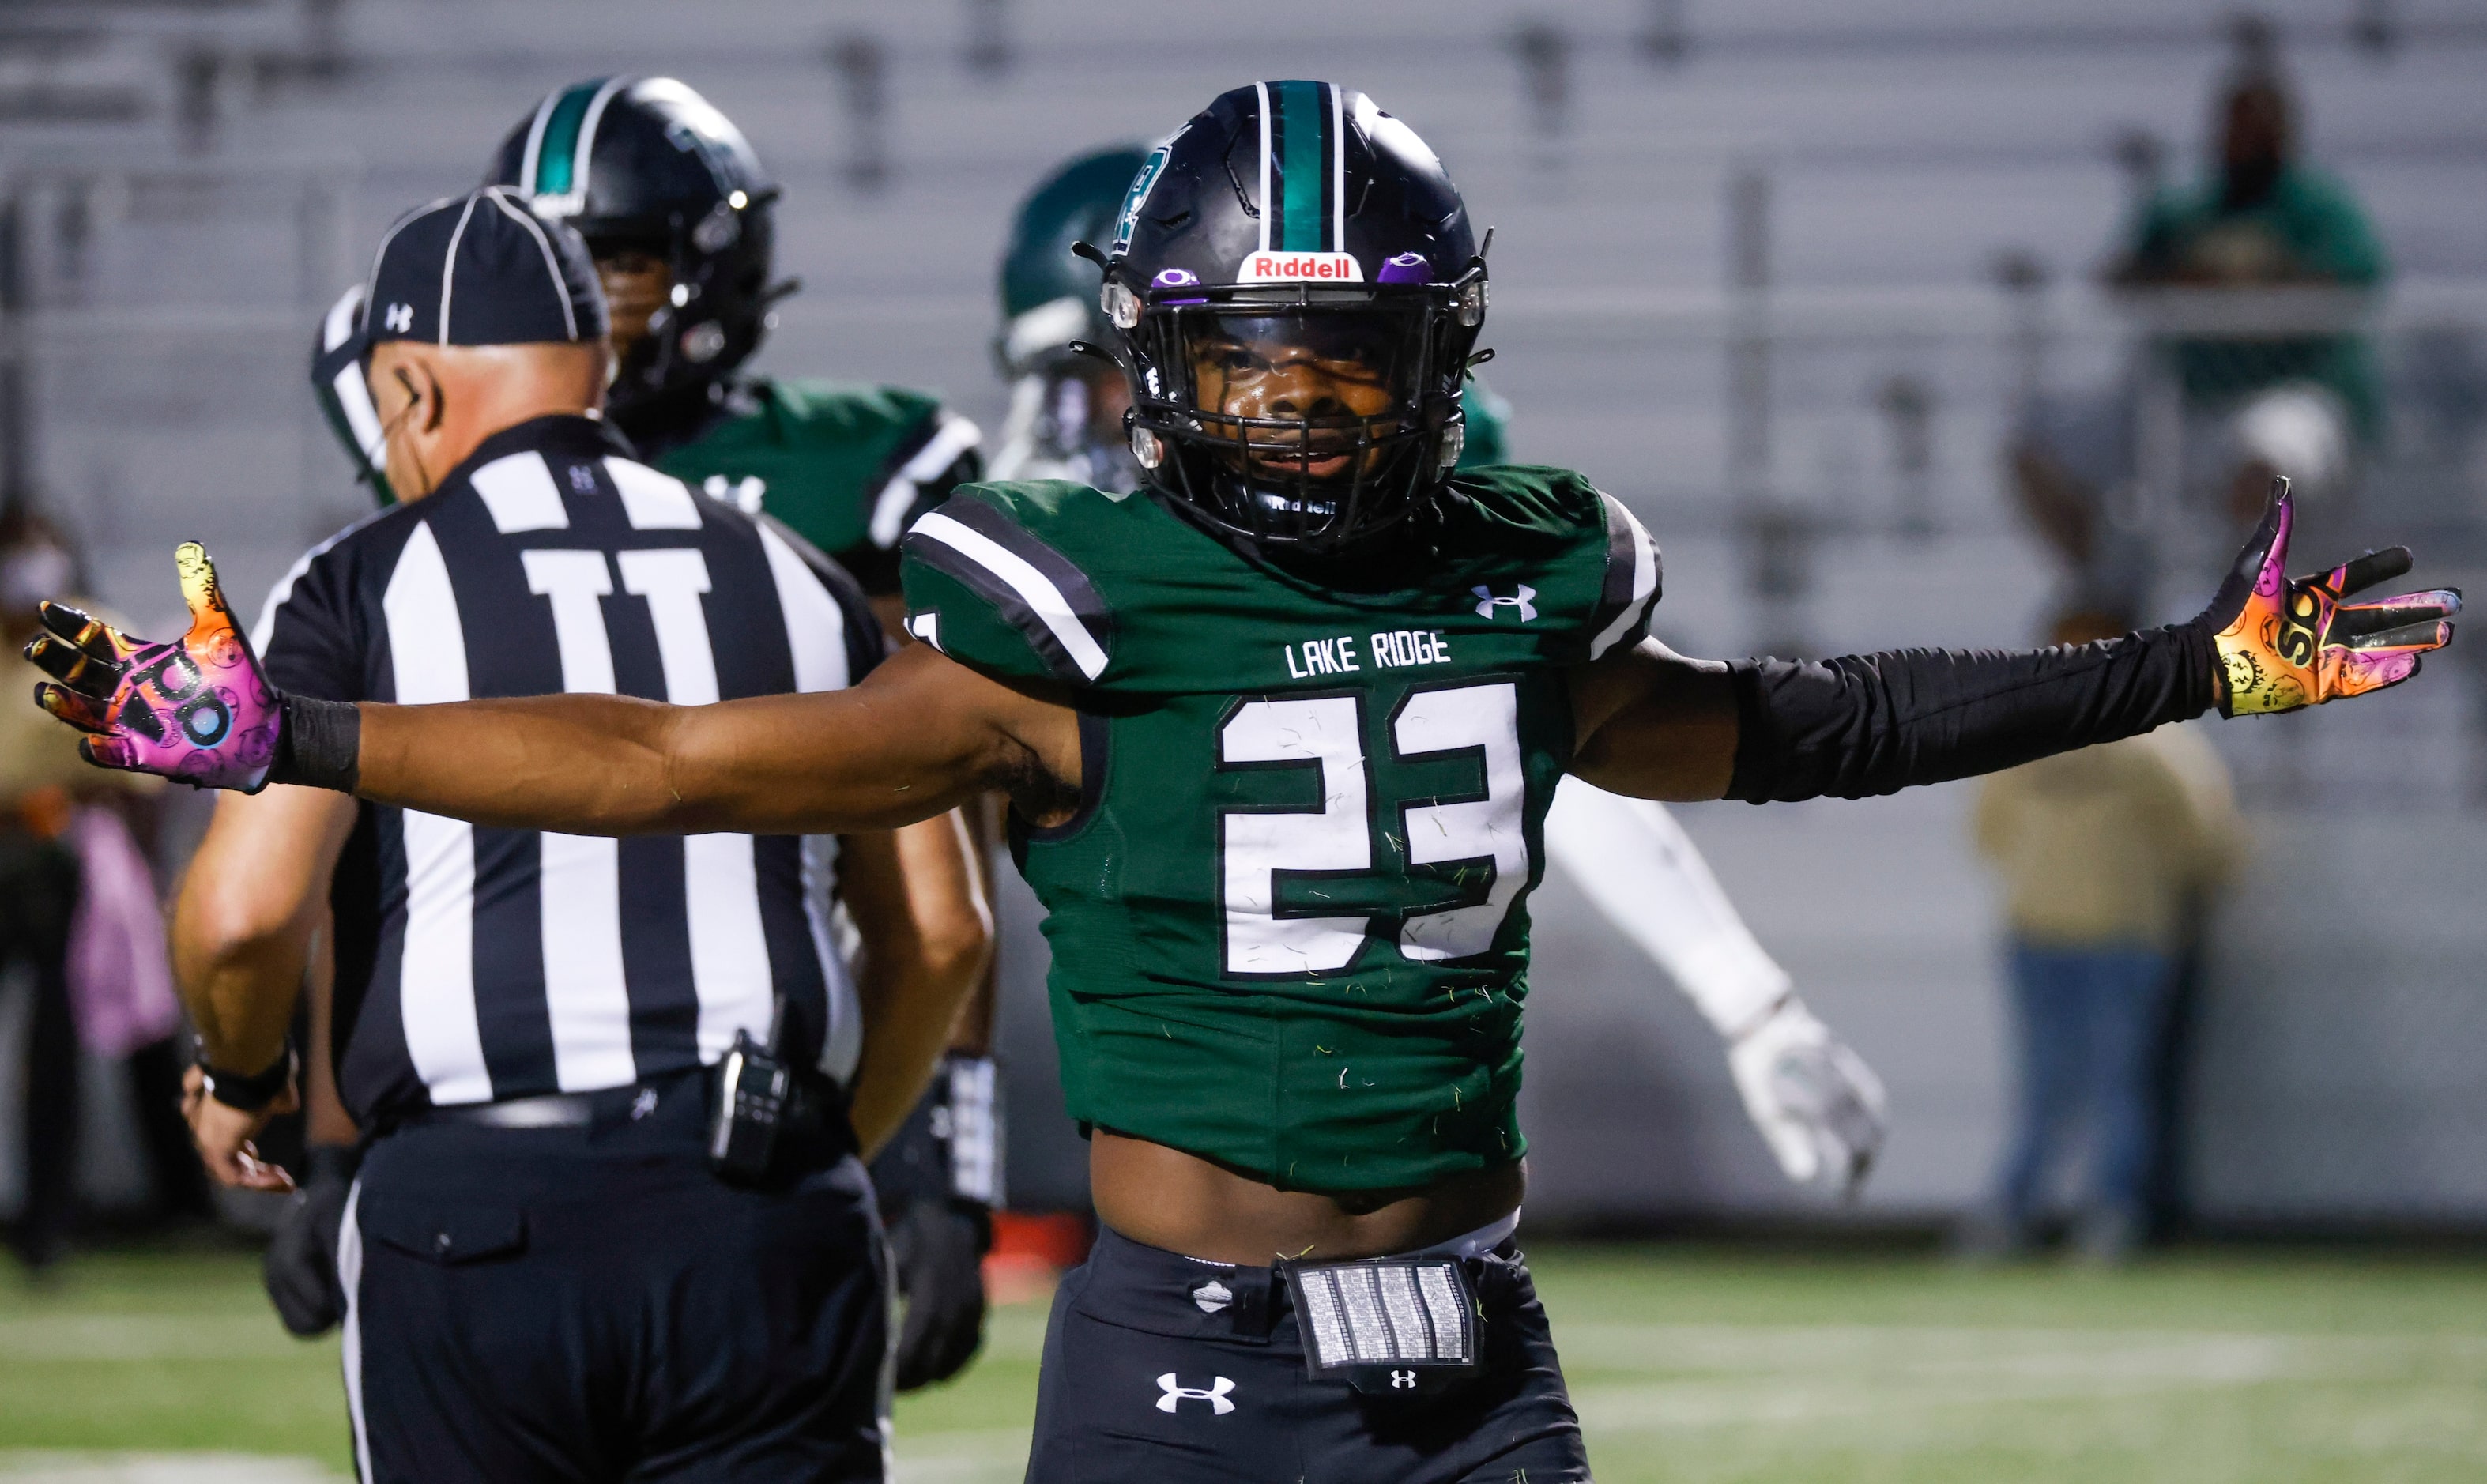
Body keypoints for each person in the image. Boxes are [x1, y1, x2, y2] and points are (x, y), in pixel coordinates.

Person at [28, 83, 2459, 1484]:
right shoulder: (1061, 610)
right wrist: (301, 735)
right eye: (1256, 362)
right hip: (1183, 1356)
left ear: (1443, 363)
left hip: (1478, 1339)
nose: (1305, 406)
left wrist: (2183, 669)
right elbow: (665, 759)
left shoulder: (1528, 572)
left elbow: (1799, 725)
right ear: (1155, 367)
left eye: (1352, 362)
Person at [160, 188, 989, 1481]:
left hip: (481, 1212)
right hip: (765, 1200)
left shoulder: (358, 579)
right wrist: (826, 1141)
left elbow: (246, 911)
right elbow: (940, 930)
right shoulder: (805, 576)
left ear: (414, 391)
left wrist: (242, 1075)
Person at [995, 143, 1886, 1196]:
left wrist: (1748, 999)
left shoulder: (1393, 495)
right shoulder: (1034, 529)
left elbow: (1545, 747)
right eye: (1081, 381)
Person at [482, 77, 1002, 1386]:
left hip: (776, 1054)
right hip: (503, 1040)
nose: (582, 301)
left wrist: (948, 1159)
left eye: (614, 259)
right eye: (549, 260)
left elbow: (944, 855)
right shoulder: (451, 475)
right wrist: (327, 1138)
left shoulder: (862, 468)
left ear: (712, 262)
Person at [2014, 42, 2389, 594]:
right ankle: (2103, 581)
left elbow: (2354, 281)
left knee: (2264, 467)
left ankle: (2245, 604)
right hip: (2187, 399)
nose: (2245, 141)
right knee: (2034, 445)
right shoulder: (2188, 210)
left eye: (2260, 127)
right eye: (2235, 126)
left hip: (2288, 393)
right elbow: (2121, 276)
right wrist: (2188, 278)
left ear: (2285, 133)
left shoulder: (2317, 210)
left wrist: (2254, 285)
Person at [1965, 608, 2243, 1263]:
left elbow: (2206, 841)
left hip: (2125, 936)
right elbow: (1988, 829)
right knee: (2043, 1086)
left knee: (2120, 1085)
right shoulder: (2023, 734)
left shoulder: (2154, 742)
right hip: (2037, 936)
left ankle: (2112, 1217)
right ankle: (2015, 1213)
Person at [0, 514, 201, 1273]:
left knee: (65, 1041)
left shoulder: (88, 636)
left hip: (67, 857)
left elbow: (147, 757)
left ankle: (51, 1227)